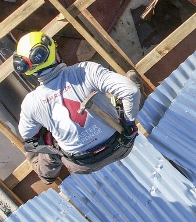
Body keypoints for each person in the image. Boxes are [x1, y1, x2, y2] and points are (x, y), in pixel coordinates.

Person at [14, 32, 141, 183]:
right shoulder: (85, 70)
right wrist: (129, 123)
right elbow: (130, 91)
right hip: (120, 145)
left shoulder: (31, 103)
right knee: (132, 85)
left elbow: (27, 135)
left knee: (37, 144)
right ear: (55, 53)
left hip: (83, 164)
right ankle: (128, 116)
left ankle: (47, 175)